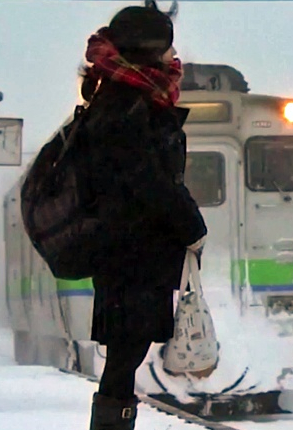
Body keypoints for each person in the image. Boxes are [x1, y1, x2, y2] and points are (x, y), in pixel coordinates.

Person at [76, 1, 207, 429]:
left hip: (129, 250)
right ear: (150, 49)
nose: (174, 56)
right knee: (124, 355)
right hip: (131, 252)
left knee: (126, 355)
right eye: (168, 47)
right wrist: (191, 225)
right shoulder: (127, 104)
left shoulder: (123, 97)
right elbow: (146, 177)